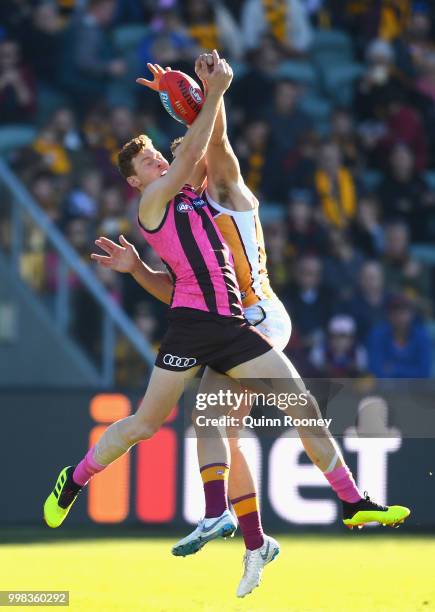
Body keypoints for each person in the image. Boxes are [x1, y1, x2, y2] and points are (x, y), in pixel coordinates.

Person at [44, 52, 410, 599]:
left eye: (156, 159)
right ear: (134, 181)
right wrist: (211, 93)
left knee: (292, 404)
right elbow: (200, 149)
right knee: (150, 424)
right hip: (194, 327)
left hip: (239, 320)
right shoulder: (155, 201)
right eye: (147, 163)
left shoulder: (199, 193)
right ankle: (75, 480)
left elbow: (206, 152)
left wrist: (190, 97)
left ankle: (341, 503)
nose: (159, 165)